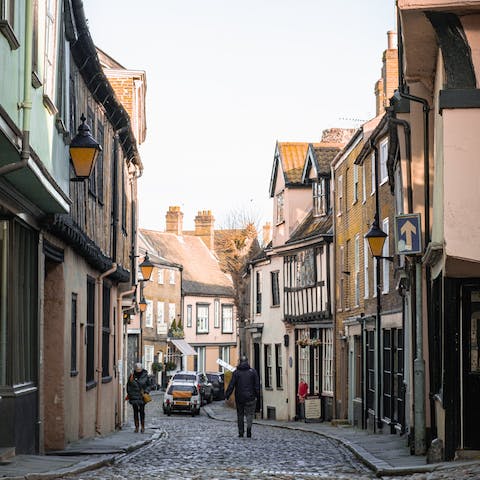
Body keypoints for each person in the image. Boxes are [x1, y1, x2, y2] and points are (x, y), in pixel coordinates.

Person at [225, 355, 260, 438]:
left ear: (240, 362)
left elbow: (231, 385)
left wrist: (227, 395)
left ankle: (241, 432)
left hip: (239, 398)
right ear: (247, 362)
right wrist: (258, 396)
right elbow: (257, 385)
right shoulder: (253, 372)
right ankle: (248, 429)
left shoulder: (236, 373)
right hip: (251, 397)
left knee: (240, 415)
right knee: (249, 414)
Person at [126, 362, 152, 433]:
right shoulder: (132, 376)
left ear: (142, 369)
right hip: (134, 396)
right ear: (135, 369)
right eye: (137, 369)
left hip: (142, 396)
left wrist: (146, 391)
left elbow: (149, 385)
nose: (138, 371)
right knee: (135, 412)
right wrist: (130, 393)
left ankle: (142, 427)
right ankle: (136, 427)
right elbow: (128, 386)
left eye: (139, 369)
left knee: (142, 412)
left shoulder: (145, 376)